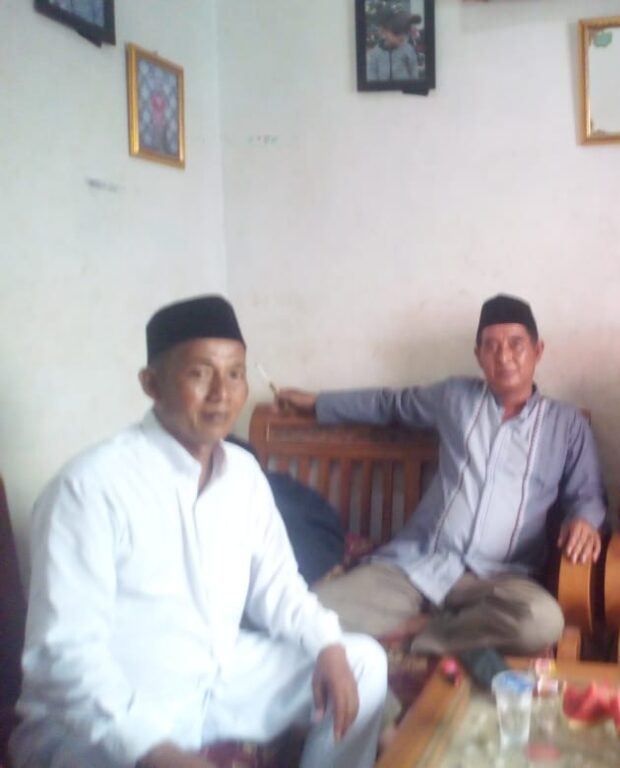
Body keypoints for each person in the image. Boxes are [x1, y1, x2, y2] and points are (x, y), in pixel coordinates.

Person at [11, 296, 387, 768]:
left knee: (363, 662)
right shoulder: (89, 488)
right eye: (199, 374)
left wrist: (327, 645)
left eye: (235, 374)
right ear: (151, 384)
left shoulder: (244, 474)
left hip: (218, 680)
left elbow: (278, 586)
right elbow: (62, 655)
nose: (221, 394)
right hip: (114, 710)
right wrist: (157, 751)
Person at [275, 294, 606, 656]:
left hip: (499, 581)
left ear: (538, 350)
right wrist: (319, 403)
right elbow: (390, 405)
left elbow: (587, 493)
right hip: (416, 566)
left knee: (541, 621)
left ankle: (424, 633)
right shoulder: (455, 397)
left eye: (516, 344)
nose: (504, 357)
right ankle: (426, 627)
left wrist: (584, 519)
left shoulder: (566, 424)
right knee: (304, 615)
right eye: (491, 347)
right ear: (478, 356)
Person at [366, 9, 422, 82]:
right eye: (396, 33)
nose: (402, 37)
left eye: (404, 33)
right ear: (384, 31)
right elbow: (371, 76)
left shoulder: (409, 50)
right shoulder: (376, 53)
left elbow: (414, 75)